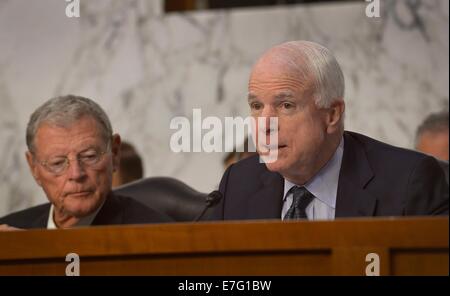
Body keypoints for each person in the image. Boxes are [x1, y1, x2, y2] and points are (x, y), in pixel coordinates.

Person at [209, 41, 449, 221]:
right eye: (256, 106)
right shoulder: (237, 184)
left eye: (286, 105)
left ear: (332, 114)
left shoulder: (409, 183)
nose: (264, 123)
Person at [0, 95, 171, 230]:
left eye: (89, 156)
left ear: (115, 153)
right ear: (34, 168)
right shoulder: (9, 235)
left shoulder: (159, 236)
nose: (76, 174)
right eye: (58, 163)